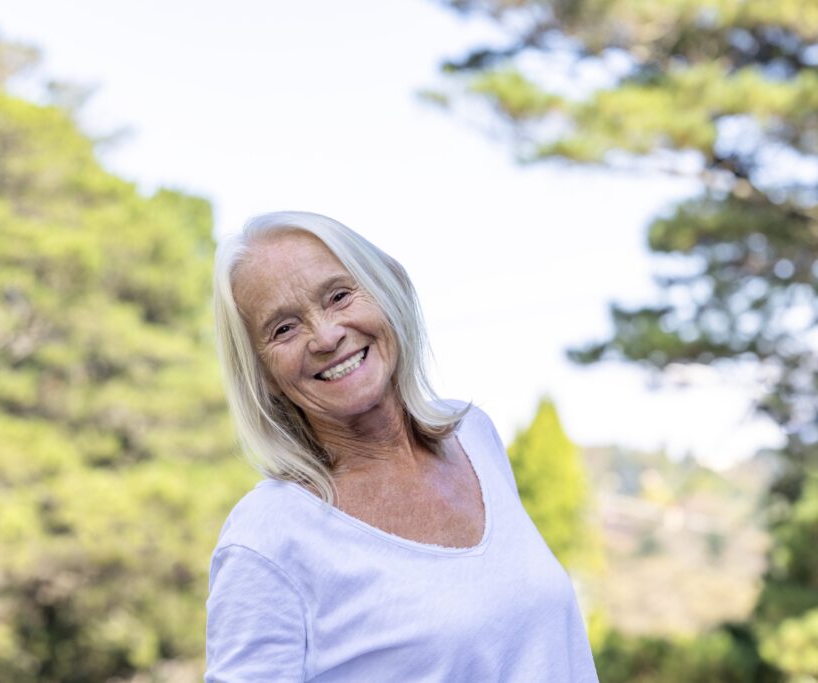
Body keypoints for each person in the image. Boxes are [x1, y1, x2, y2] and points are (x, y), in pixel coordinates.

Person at [205, 211, 598, 681]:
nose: (326, 336)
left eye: (339, 296)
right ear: (262, 375)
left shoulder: (474, 435)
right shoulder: (268, 536)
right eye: (283, 329)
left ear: (389, 288)